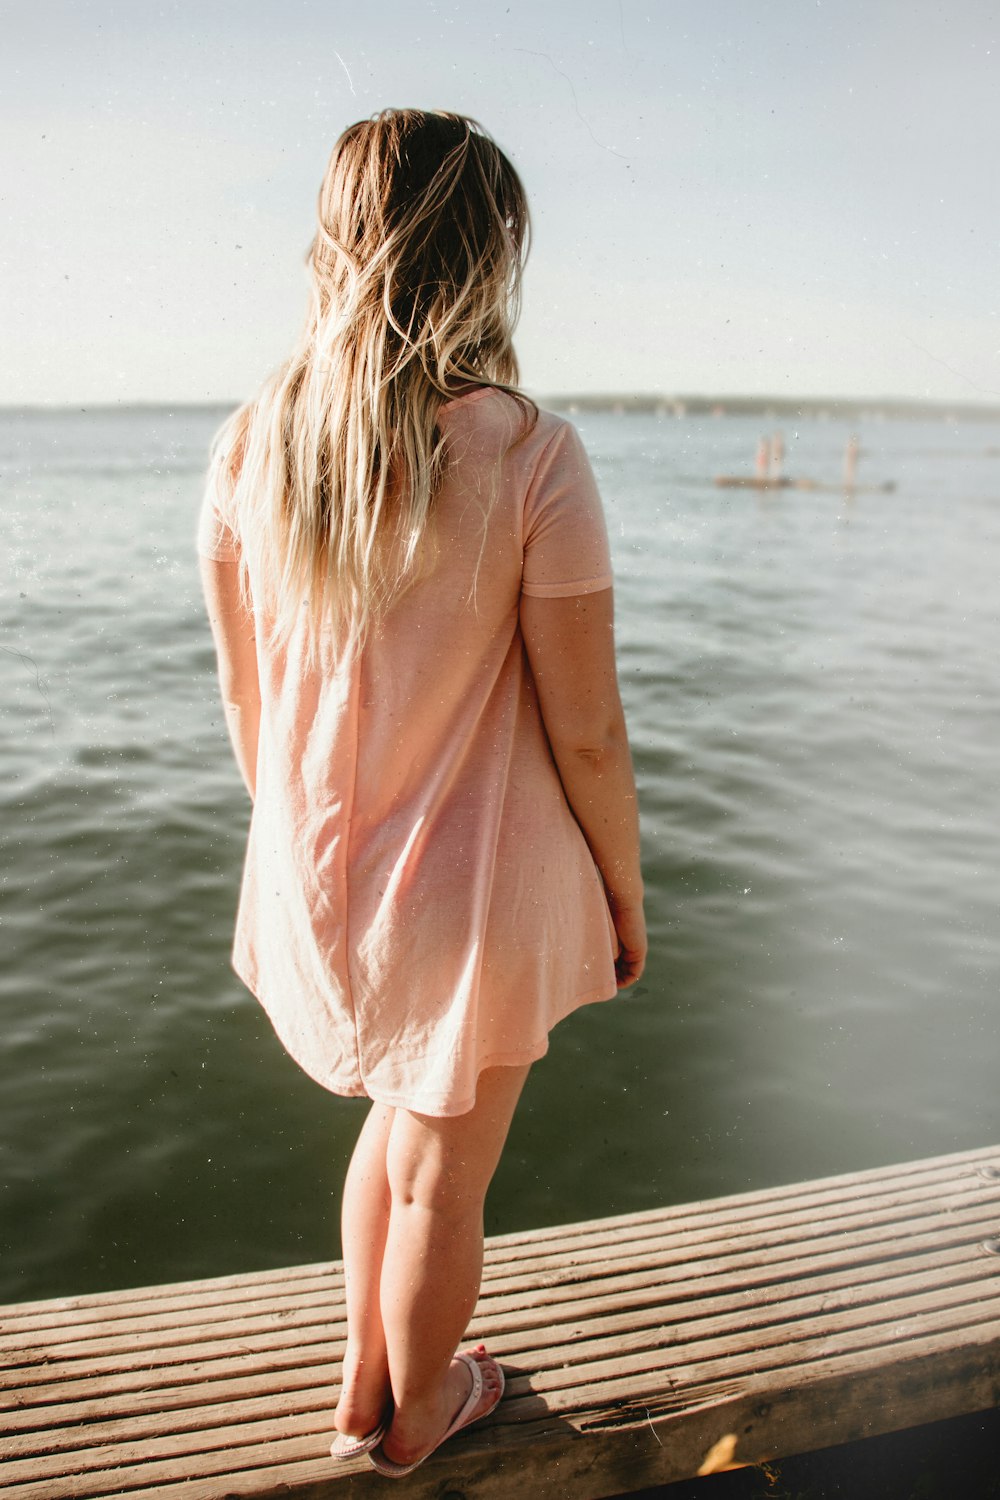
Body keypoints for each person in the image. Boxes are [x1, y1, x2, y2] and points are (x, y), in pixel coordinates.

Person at [197, 108, 645, 1477]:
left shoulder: (255, 445)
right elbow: (589, 737)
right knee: (444, 1177)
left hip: (327, 880)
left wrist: (296, 861)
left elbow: (246, 701)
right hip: (478, 896)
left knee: (393, 1125)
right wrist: (626, 897)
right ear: (488, 257)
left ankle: (357, 1380)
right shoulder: (530, 454)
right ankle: (413, 1424)